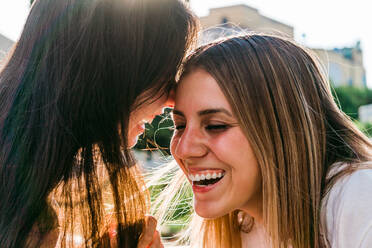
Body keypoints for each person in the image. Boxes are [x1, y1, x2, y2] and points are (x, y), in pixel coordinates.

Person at [0, 0, 197, 247]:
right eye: (165, 76)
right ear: (117, 71)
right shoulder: (31, 221)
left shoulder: (23, 186)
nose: (172, 100)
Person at [156, 33, 372, 247]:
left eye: (215, 126)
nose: (184, 150)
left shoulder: (360, 198)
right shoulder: (239, 226)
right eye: (180, 126)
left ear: (282, 127)